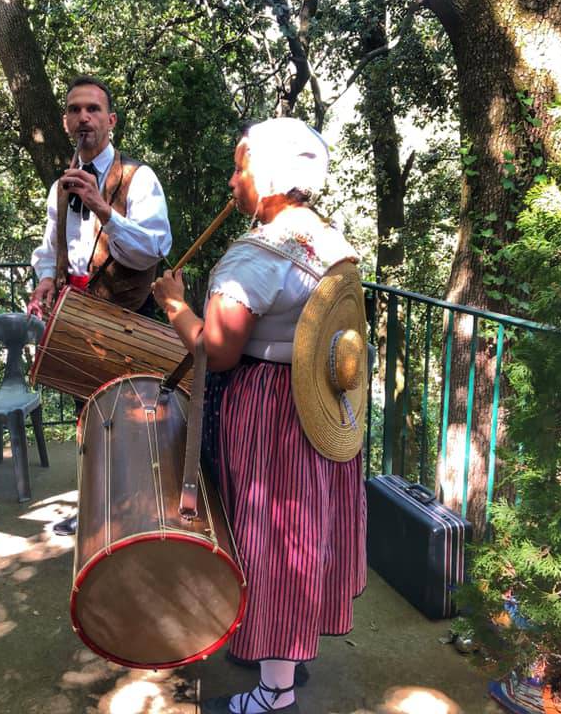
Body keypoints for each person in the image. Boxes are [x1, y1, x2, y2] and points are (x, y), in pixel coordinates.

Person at [152, 118, 367, 714]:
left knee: (271, 538)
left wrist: (174, 305)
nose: (233, 179)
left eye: (241, 166)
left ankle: (274, 692)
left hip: (269, 408)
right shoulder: (324, 237)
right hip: (316, 403)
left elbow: (216, 350)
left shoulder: (260, 252)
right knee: (303, 530)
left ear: (271, 174)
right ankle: (287, 648)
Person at [27, 75, 172, 536]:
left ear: (110, 121)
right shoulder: (61, 185)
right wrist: (45, 280)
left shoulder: (138, 177)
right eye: (75, 109)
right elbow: (51, 246)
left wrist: (103, 209)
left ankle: (137, 514)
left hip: (129, 319)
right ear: (67, 121)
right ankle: (94, 505)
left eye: (93, 109)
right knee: (87, 416)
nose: (83, 117)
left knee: (131, 416)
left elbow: (154, 247)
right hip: (78, 317)